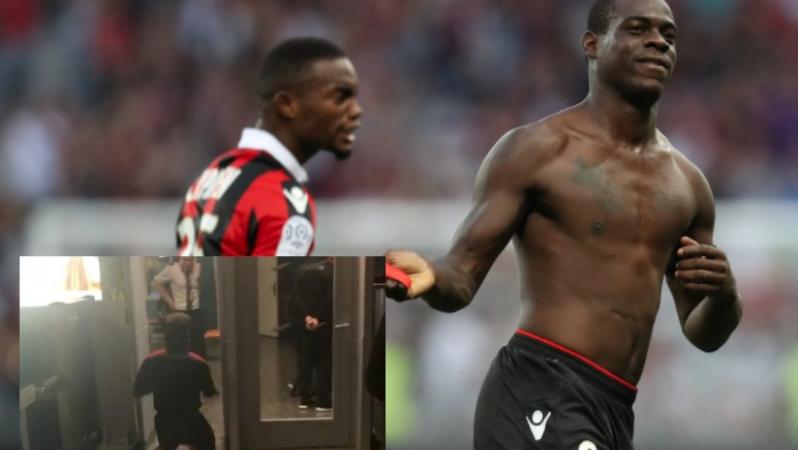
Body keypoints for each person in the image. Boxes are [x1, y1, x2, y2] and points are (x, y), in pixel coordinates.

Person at [386, 0, 743, 448]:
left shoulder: (689, 185)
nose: (658, 42)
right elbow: (461, 276)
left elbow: (703, 333)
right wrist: (431, 274)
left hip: (614, 408)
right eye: (637, 29)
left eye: (668, 36)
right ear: (592, 44)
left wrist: (726, 295)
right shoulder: (537, 151)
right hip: (540, 387)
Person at [176, 37, 362, 256]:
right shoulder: (282, 200)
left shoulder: (212, 175)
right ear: (286, 105)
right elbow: (273, 281)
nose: (356, 111)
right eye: (340, 98)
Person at [133, 313, 218, 450]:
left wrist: (160, 383)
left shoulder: (151, 361)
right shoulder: (198, 363)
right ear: (187, 338)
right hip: (191, 420)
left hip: (164, 421)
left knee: (167, 445)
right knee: (207, 442)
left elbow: (138, 391)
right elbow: (209, 392)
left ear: (166, 338)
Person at [292, 260, 334, 411]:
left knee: (305, 362)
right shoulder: (330, 271)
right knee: (324, 362)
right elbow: (329, 298)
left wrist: (306, 316)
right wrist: (319, 318)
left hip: (304, 325)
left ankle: (305, 398)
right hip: (324, 325)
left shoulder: (301, 269)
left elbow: (296, 297)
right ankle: (322, 400)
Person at [153, 257, 207, 358]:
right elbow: (156, 283)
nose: (188, 263)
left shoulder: (199, 267)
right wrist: (169, 301)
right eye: (185, 260)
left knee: (198, 342)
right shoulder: (171, 269)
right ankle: (180, 361)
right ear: (180, 259)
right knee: (179, 340)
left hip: (195, 310)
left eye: (190, 260)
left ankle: (198, 362)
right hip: (179, 310)